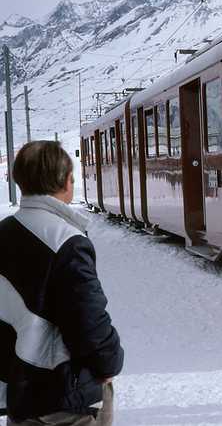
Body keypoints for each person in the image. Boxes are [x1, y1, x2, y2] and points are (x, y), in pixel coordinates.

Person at [0, 141, 124, 426]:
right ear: (65, 181)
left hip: (20, 392)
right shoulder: (67, 240)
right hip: (65, 394)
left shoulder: (4, 232)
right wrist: (108, 362)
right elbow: (87, 318)